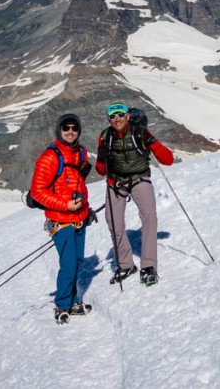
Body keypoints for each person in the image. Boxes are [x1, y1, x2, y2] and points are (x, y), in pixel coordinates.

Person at [95, 103, 174, 286]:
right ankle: (125, 264)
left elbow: (167, 160)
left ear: (127, 116)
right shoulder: (105, 137)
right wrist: (101, 157)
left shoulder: (140, 133)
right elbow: (101, 171)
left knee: (149, 217)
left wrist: (151, 141)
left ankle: (148, 265)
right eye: (113, 116)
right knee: (113, 221)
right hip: (116, 182)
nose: (117, 119)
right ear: (108, 119)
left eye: (120, 115)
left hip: (139, 179)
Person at [29, 113, 94, 324]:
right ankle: (62, 305)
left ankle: (74, 302)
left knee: (76, 262)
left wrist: (87, 209)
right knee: (68, 264)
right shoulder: (50, 157)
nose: (70, 132)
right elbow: (37, 192)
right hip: (59, 219)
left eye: (74, 128)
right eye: (66, 128)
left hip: (79, 217)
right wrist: (65, 205)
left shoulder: (81, 153)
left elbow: (79, 186)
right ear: (59, 130)